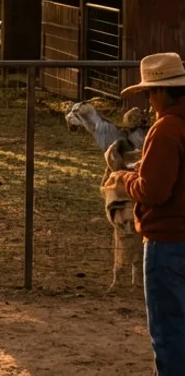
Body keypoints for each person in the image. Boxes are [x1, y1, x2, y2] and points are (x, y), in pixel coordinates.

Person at [115, 52, 185, 376]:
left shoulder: (166, 129)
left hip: (166, 243)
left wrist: (125, 179)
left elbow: (155, 191)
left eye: (148, 93)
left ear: (159, 92)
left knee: (168, 337)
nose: (147, 100)